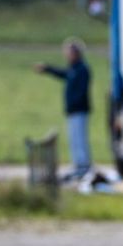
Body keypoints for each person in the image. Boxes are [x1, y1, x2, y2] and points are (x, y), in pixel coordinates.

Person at [34, 38, 92, 179]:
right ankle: (78, 164)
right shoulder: (73, 69)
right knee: (73, 138)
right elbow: (62, 73)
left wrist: (74, 103)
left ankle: (83, 165)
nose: (67, 55)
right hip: (72, 111)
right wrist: (47, 69)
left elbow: (81, 90)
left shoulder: (82, 69)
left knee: (79, 138)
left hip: (79, 110)